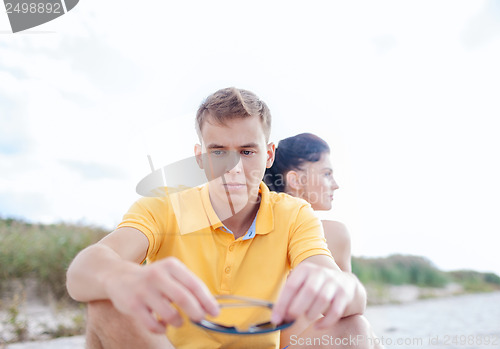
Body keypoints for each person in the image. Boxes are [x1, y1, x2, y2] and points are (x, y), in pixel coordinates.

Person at [66, 88, 377, 349]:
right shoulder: (162, 207)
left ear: (268, 155)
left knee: (354, 330)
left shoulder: (294, 214)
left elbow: (351, 296)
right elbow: (83, 271)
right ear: (200, 158)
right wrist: (121, 278)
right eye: (218, 152)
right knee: (105, 304)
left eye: (246, 152)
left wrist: (339, 285)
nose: (234, 168)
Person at [264, 133, 351, 272]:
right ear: (295, 180)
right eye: (327, 174)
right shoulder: (335, 234)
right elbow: (346, 293)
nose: (335, 185)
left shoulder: (252, 228)